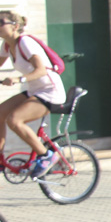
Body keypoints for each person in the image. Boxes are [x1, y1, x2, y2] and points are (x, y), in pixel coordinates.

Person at [0, 10, 66, 179]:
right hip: (36, 90)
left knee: (14, 120)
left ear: (15, 26)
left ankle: (47, 155)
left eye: (1, 22)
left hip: (51, 91)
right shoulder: (7, 45)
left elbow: (41, 70)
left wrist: (18, 79)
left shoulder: (25, 42)